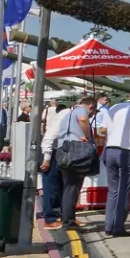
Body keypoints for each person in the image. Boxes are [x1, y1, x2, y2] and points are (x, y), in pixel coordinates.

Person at [97, 89, 130, 236]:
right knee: (124, 190)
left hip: (110, 150)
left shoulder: (114, 108)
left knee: (112, 190)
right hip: (127, 152)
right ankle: (118, 227)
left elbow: (103, 130)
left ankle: (108, 226)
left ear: (129, 96)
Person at [55, 93, 97, 226]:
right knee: (73, 187)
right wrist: (88, 137)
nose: (91, 115)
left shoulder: (67, 115)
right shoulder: (81, 110)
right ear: (90, 107)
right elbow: (83, 120)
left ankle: (66, 217)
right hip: (75, 152)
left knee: (68, 187)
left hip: (63, 151)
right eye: (92, 112)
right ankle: (69, 221)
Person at [37, 99, 68, 227]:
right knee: (50, 186)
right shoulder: (63, 117)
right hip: (52, 153)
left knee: (61, 186)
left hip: (59, 152)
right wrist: (47, 159)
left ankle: (63, 215)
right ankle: (49, 218)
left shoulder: (65, 116)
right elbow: (48, 139)